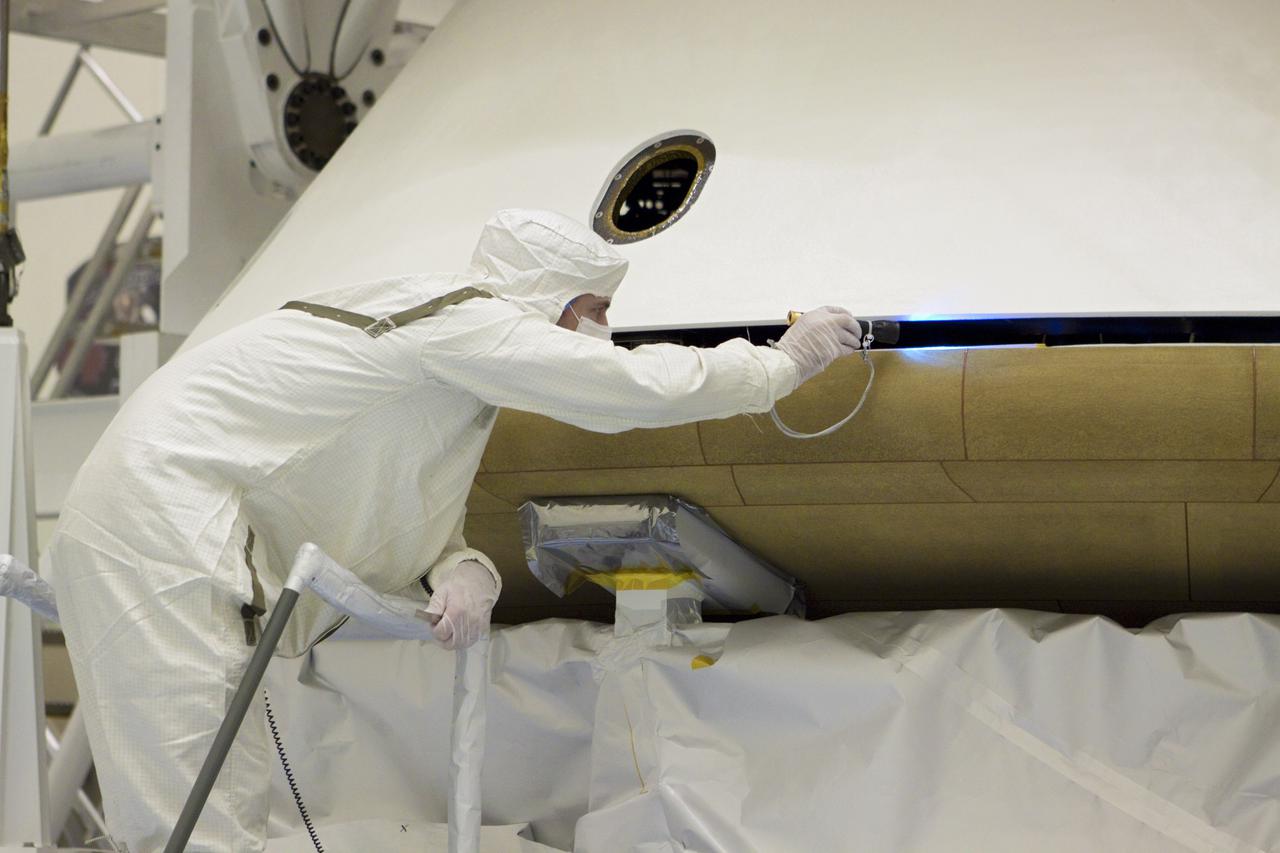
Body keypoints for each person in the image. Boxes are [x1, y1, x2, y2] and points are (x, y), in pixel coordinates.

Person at [46, 208, 862, 851]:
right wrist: (779, 364)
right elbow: (622, 390)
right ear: (550, 301)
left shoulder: (439, 360)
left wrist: (467, 568)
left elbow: (408, 509)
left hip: (174, 530)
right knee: (192, 821)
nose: (602, 332)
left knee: (214, 803)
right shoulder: (465, 323)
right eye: (597, 311)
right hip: (161, 528)